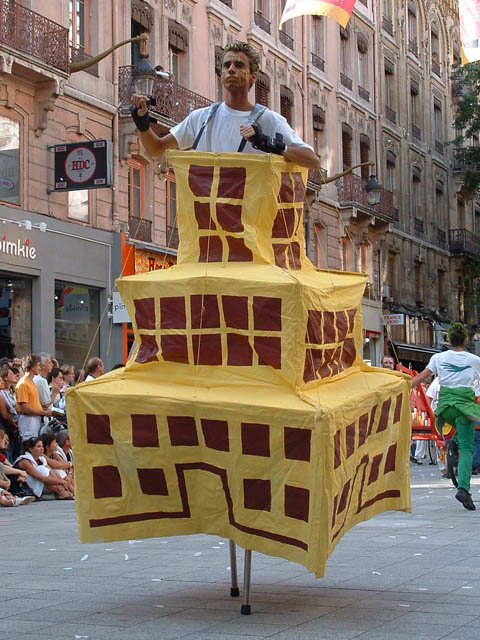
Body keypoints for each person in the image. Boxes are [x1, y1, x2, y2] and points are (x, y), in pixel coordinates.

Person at [131, 41, 320, 170]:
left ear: (253, 76)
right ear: (221, 74)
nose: (231, 69)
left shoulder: (268, 120)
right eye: (227, 65)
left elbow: (312, 161)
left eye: (239, 65)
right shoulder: (202, 118)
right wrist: (142, 124)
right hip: (207, 224)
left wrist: (271, 145)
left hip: (250, 226)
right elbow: (156, 148)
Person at [412, 323, 480, 510]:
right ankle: (464, 489)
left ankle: (453, 440)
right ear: (466, 339)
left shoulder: (438, 358)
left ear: (449, 340)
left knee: (459, 431)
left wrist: (400, 388)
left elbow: (419, 378)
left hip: (444, 410)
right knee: (467, 449)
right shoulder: (474, 360)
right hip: (464, 408)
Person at [15, 355, 53, 440]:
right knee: (31, 445)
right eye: (38, 365)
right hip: (28, 422)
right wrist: (44, 413)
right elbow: (25, 408)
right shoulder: (23, 384)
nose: (40, 367)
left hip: (35, 420)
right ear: (32, 367)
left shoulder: (31, 382)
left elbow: (34, 404)